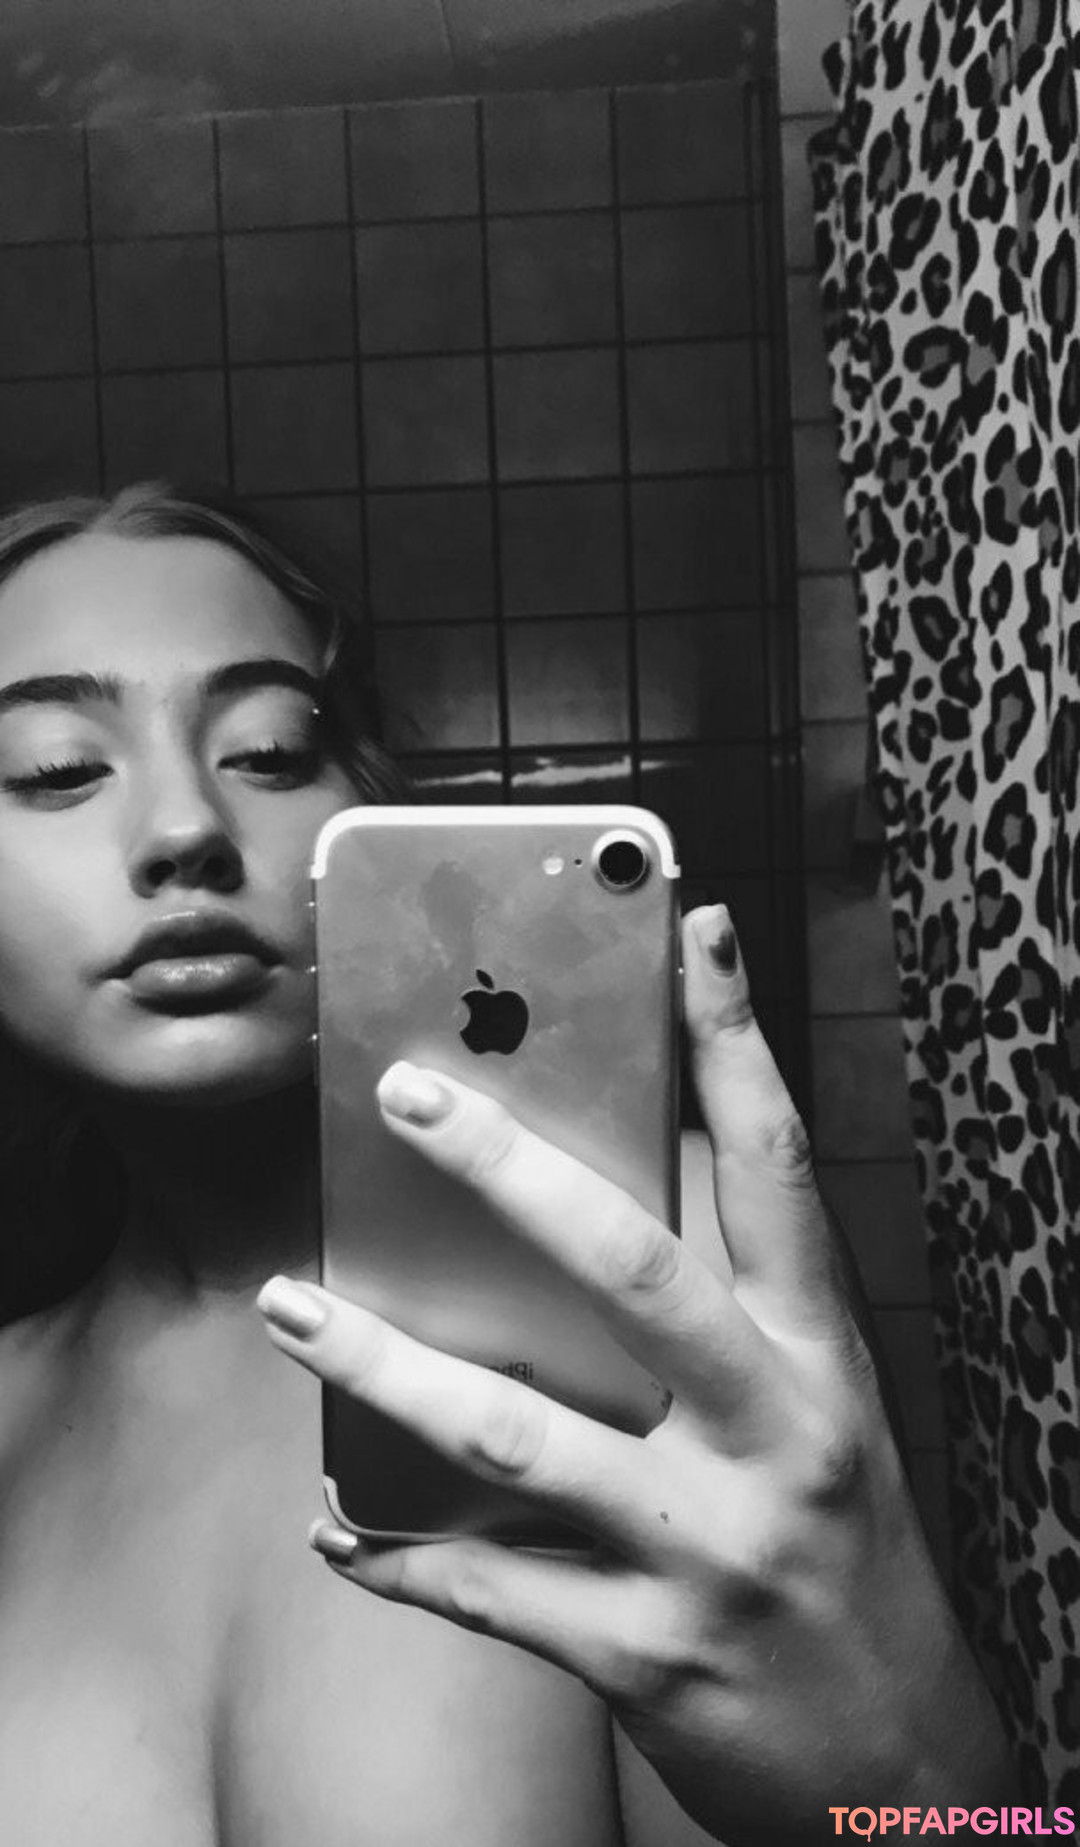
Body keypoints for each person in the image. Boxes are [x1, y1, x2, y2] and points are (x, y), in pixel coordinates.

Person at [0, 480, 1012, 1847]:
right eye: (56, 768)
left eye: (272, 750)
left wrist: (922, 1779)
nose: (187, 828)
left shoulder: (649, 1268)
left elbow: (950, 1826)